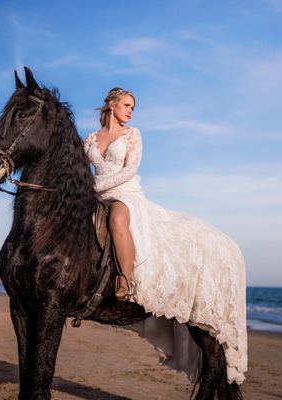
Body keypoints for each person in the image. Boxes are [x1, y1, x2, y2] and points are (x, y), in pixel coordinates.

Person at [83, 88, 248, 384]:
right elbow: (82, 172)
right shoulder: (91, 139)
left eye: (133, 106)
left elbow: (128, 171)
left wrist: (97, 187)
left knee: (119, 218)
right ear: (111, 105)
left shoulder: (133, 134)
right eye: (126, 105)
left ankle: (127, 280)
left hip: (123, 195)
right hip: (95, 194)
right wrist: (88, 189)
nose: (131, 110)